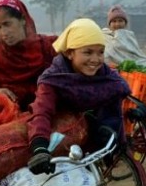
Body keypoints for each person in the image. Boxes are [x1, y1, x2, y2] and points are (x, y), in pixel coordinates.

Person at [26, 18, 131, 175]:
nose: (96, 60)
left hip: (91, 150)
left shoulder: (107, 76)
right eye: (87, 52)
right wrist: (39, 146)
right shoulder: (53, 79)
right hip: (58, 145)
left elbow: (117, 94)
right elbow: (41, 112)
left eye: (100, 52)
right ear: (69, 53)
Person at [0, 0, 57, 110]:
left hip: (48, 108)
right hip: (10, 111)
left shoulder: (47, 46)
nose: (3, 32)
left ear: (22, 20)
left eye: (7, 24)